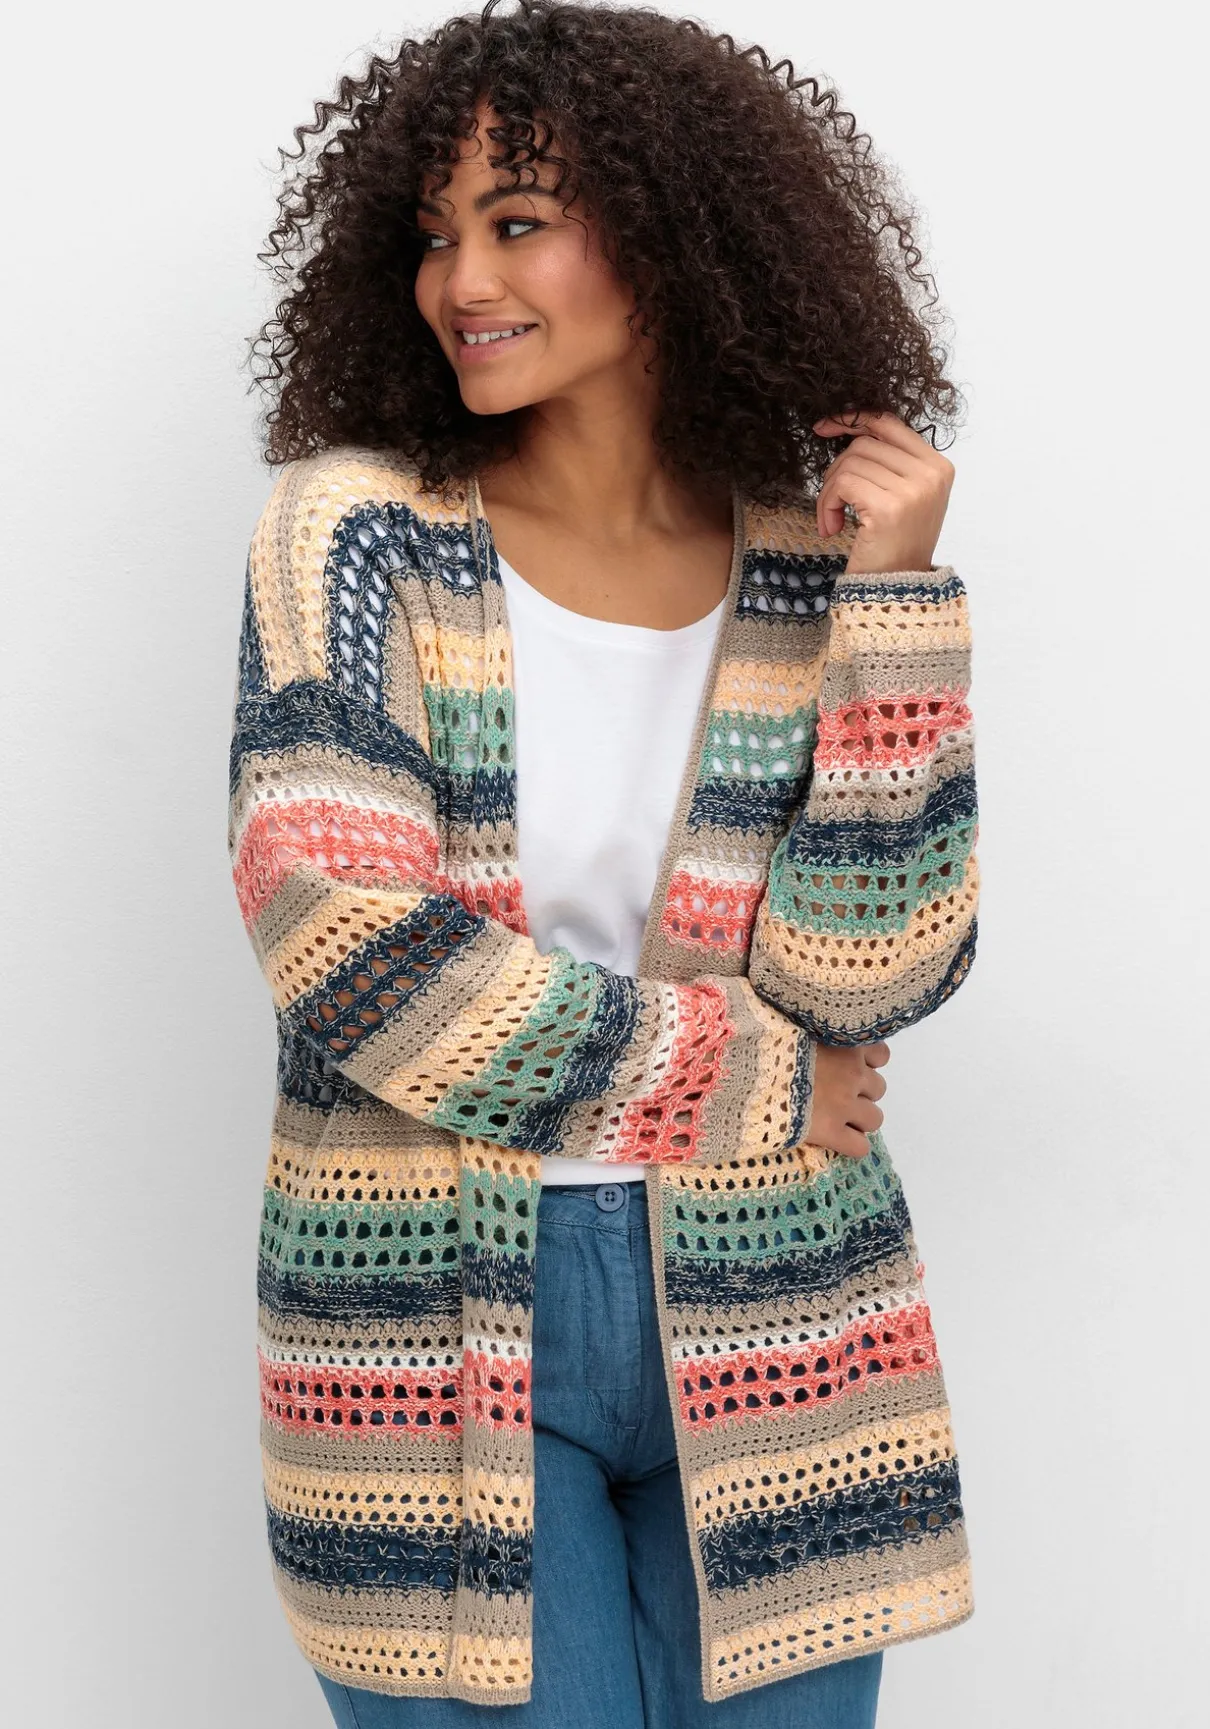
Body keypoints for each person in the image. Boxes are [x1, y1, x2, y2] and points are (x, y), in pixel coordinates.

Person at [230, 3, 977, 1725]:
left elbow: (875, 973)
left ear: (667, 231)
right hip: (422, 1340)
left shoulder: (809, 552)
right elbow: (353, 950)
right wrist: (758, 1081)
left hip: (784, 1321)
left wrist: (893, 605)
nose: (462, 281)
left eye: (516, 222)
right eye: (433, 235)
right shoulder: (355, 534)